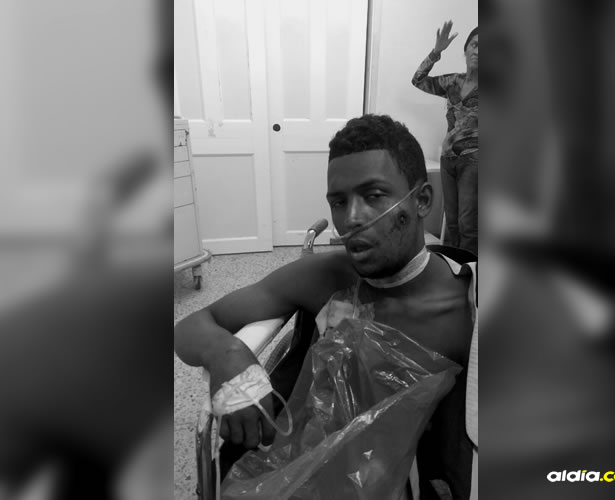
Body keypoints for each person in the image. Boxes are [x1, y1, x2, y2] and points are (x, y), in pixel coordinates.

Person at [174, 114, 476, 499]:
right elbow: (190, 327)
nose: (351, 219)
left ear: (421, 200)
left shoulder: (468, 307)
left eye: (374, 196)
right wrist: (229, 356)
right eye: (339, 201)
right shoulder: (327, 278)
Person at [412, 21, 478, 257]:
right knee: (451, 222)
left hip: (475, 162)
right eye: (474, 45)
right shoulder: (452, 81)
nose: (478, 51)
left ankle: (471, 270)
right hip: (448, 159)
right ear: (466, 49)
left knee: (468, 223)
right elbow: (418, 80)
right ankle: (451, 267)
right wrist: (436, 51)